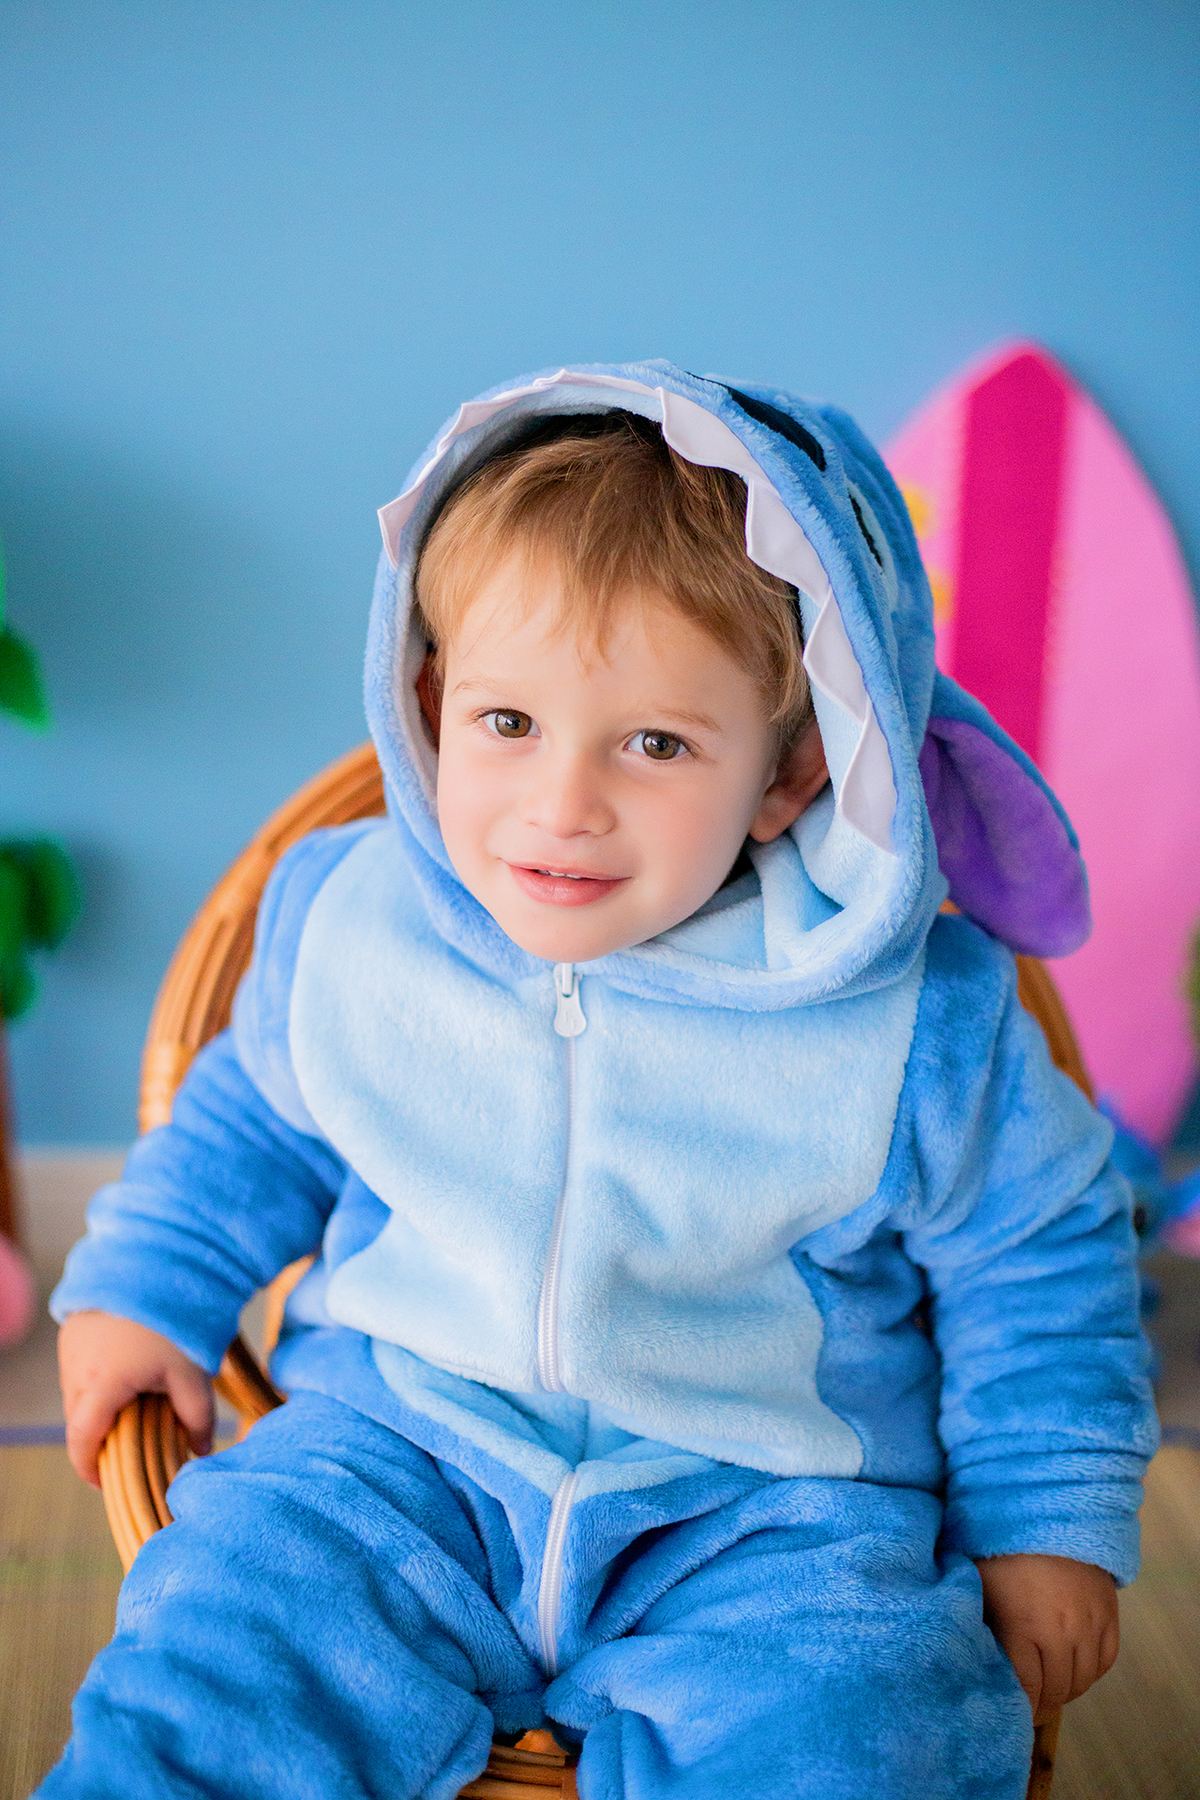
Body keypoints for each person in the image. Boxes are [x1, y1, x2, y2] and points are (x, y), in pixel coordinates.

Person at [46, 364, 1156, 1800]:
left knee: (878, 1724)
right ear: (435, 701)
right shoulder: (352, 925)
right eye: (508, 724)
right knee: (225, 1646)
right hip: (390, 1461)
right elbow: (248, 1127)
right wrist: (148, 1283)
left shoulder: (917, 1021)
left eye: (654, 744)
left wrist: (1046, 1516)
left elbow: (1041, 1259)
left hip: (776, 1518)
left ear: (789, 775)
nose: (562, 804)